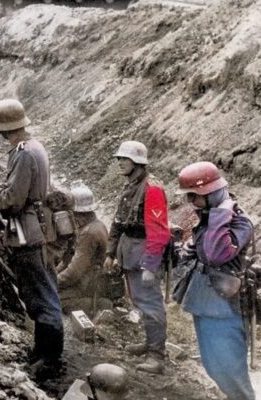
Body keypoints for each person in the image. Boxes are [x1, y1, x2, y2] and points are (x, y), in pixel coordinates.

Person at [0, 99, 63, 373]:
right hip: (39, 229)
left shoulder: (23, 154)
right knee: (43, 292)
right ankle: (44, 352)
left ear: (3, 129)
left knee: (41, 296)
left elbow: (12, 201)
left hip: (29, 234)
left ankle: (49, 359)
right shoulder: (34, 147)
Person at [176, 161, 255, 400]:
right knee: (214, 366)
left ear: (211, 194)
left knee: (232, 371)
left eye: (194, 196)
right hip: (207, 301)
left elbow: (216, 253)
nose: (191, 202)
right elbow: (196, 250)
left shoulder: (238, 222)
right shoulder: (209, 218)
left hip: (225, 307)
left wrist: (221, 213)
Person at [103, 141, 170, 374]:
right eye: (119, 159)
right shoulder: (131, 185)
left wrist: (151, 266)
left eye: (125, 159)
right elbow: (118, 221)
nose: (120, 162)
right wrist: (110, 252)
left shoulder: (152, 189)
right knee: (139, 300)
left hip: (144, 252)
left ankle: (157, 355)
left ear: (138, 162)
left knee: (150, 303)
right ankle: (150, 343)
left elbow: (159, 232)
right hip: (130, 249)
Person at [57, 182, 111, 317]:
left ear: (76, 213)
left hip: (90, 284)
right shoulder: (93, 225)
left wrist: (53, 283)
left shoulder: (88, 233)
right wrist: (53, 276)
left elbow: (74, 272)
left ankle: (100, 304)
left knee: (55, 300)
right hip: (89, 279)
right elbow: (67, 261)